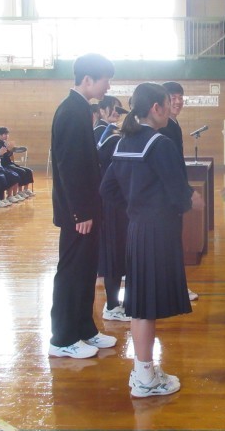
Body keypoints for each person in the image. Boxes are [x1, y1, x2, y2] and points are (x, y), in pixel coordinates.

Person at [100, 82, 203, 398]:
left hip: (137, 229)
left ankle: (143, 370)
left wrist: (135, 207)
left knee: (140, 304)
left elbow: (107, 189)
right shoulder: (160, 144)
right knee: (144, 307)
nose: (171, 109)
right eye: (168, 104)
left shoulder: (123, 142)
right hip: (158, 233)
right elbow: (180, 195)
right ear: (156, 108)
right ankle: (144, 378)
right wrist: (194, 201)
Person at [49, 53, 117, 359]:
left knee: (87, 270)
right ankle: (63, 338)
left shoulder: (80, 109)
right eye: (105, 80)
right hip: (77, 213)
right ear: (87, 79)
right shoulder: (70, 111)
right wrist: (82, 212)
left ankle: (84, 329)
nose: (107, 87)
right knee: (72, 272)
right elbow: (70, 167)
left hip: (87, 209)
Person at [159, 81, 199, 302]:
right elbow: (169, 167)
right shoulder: (164, 126)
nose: (177, 101)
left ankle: (174, 287)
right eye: (172, 97)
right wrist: (186, 193)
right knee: (169, 245)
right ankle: (174, 289)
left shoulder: (173, 124)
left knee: (173, 243)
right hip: (167, 198)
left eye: (180, 97)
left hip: (172, 197)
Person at [96, 105, 130, 322]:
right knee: (113, 256)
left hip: (120, 205)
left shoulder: (113, 136)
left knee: (123, 255)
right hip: (113, 205)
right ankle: (112, 305)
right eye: (114, 111)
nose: (117, 115)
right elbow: (107, 183)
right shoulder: (112, 139)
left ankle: (125, 304)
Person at [0, 127, 35, 198]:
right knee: (21, 171)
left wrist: (10, 150)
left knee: (28, 171)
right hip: (4, 165)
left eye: (7, 134)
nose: (6, 136)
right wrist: (9, 150)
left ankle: (25, 190)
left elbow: (9, 155)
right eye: (5, 134)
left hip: (9, 163)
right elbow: (2, 156)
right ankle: (19, 191)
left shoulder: (5, 143)